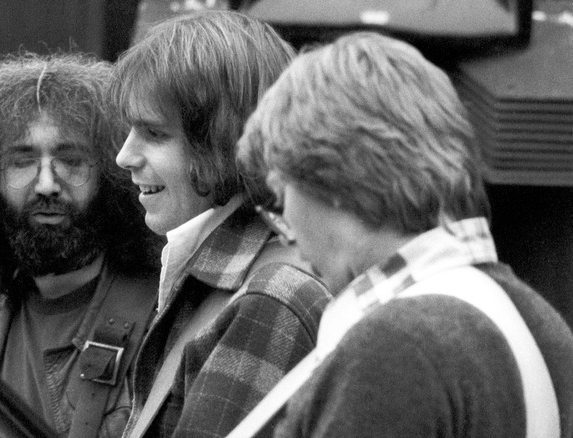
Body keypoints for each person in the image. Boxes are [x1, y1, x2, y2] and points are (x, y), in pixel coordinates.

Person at [237, 31, 573, 437]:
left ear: (333, 178)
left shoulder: (392, 346)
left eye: (281, 190)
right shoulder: (535, 319)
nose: (286, 224)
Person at [0, 52, 162, 438]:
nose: (45, 184)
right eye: (22, 161)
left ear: (113, 177)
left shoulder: (165, 313)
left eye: (71, 161)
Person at [111, 10, 331, 438]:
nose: (125, 155)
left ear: (224, 141)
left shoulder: (272, 296)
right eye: (129, 129)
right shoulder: (232, 278)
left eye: (154, 134)